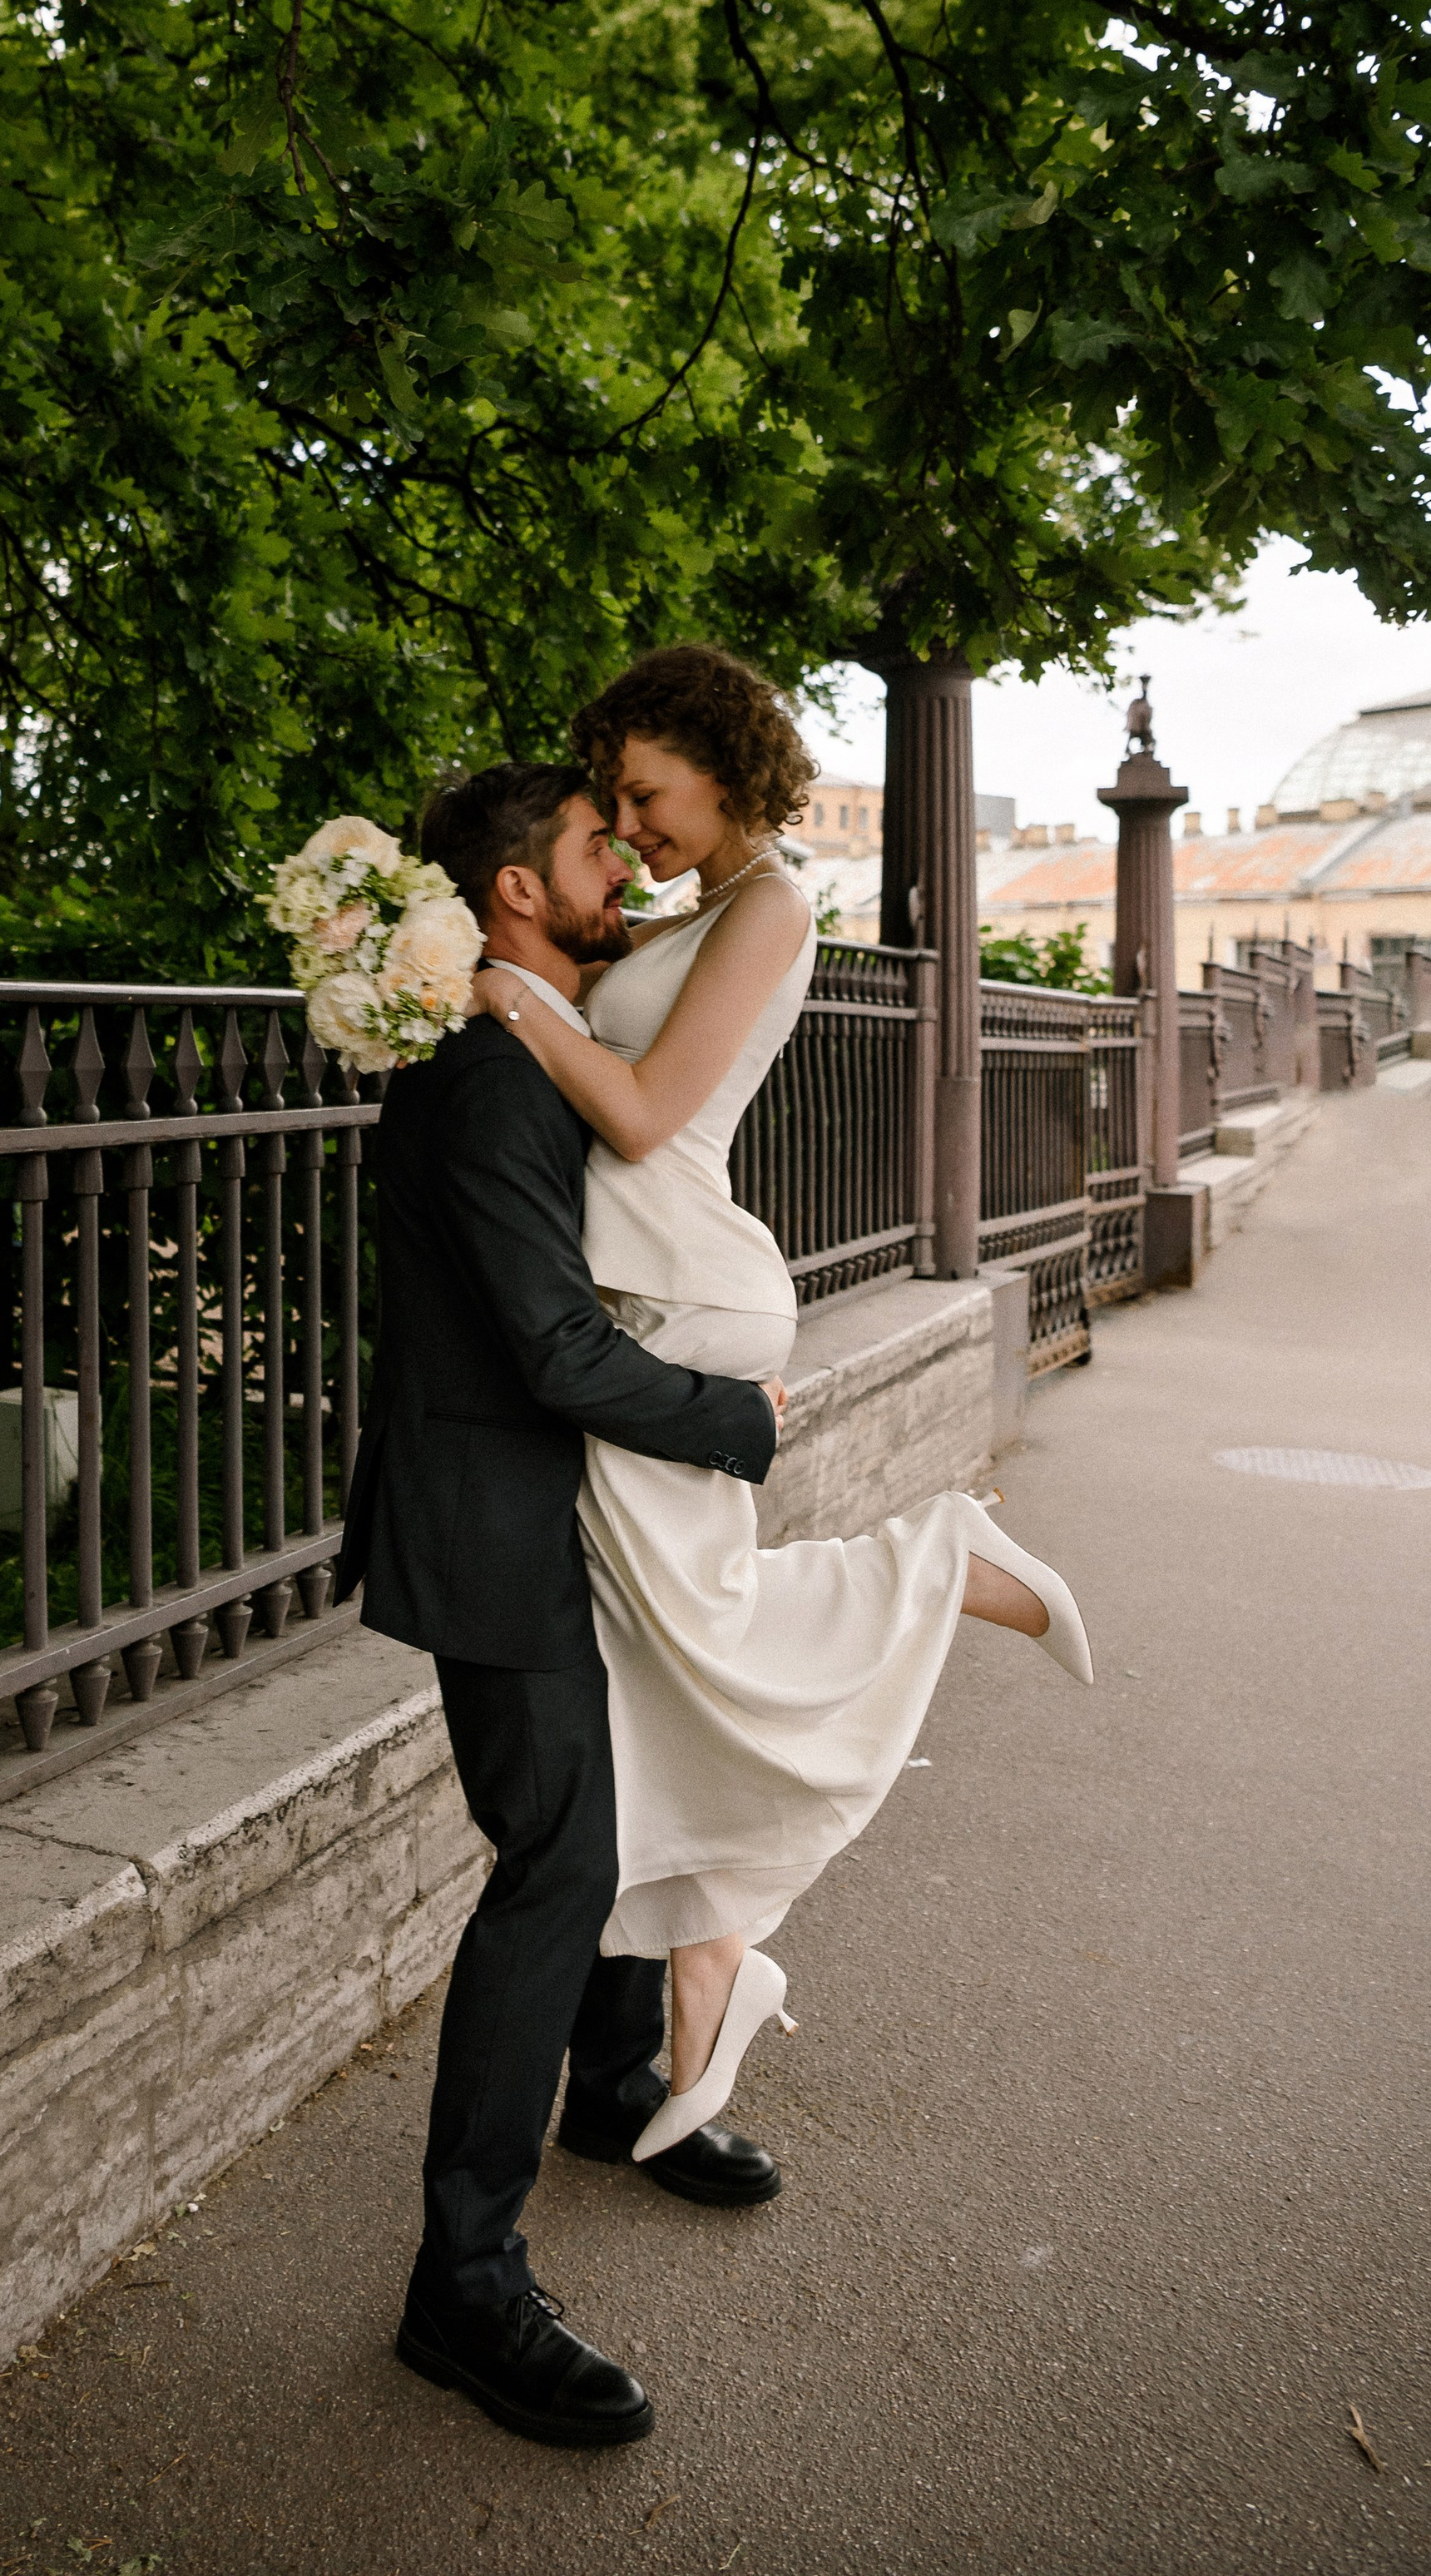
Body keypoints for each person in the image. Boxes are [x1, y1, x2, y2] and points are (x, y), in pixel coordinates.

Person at [467, 644, 1092, 2171]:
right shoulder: (696, 912)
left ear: (721, 765)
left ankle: (932, 1564)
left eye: (645, 791)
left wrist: (506, 999)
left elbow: (640, 1108)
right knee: (669, 1652)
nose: (628, 828)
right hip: (658, 1285)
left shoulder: (775, 905)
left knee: (708, 1626)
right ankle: (700, 1965)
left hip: (680, 1284)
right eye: (609, 804)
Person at [335, 760, 787, 2452]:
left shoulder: (531, 1039)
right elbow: (549, 1347)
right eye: (603, 845)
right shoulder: (488, 1080)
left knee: (622, 1799)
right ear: (518, 888)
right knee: (556, 1865)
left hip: (557, 1509)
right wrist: (732, 1420)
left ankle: (607, 2091)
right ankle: (459, 2281)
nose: (630, 867)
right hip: (493, 1531)